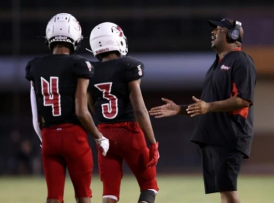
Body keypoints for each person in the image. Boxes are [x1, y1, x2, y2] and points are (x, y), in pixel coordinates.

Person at [149, 18, 256, 203]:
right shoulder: (216, 65)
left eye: (220, 29)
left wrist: (209, 106)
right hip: (214, 136)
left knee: (228, 190)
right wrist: (179, 110)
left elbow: (243, 100)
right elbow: (205, 106)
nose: (213, 32)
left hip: (229, 135)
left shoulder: (241, 60)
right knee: (224, 191)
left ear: (233, 34)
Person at [25, 13, 109, 203]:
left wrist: (43, 137)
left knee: (53, 197)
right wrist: (99, 137)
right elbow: (81, 110)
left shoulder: (35, 65)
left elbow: (35, 114)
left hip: (49, 135)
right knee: (83, 196)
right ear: (75, 37)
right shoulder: (79, 64)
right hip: (74, 137)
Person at [87, 22, 159, 203]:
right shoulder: (129, 65)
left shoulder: (89, 70)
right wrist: (152, 142)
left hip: (104, 134)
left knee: (110, 193)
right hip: (129, 131)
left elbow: (91, 106)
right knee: (149, 186)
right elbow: (139, 108)